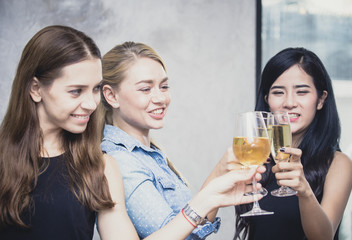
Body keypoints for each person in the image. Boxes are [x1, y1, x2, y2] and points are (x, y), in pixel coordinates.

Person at [0, 27, 264, 240]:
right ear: (36, 89)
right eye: (75, 91)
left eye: (94, 90)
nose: (91, 104)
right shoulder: (4, 160)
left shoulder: (100, 166)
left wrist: (207, 198)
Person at [99, 41, 257, 240]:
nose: (160, 98)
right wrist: (208, 199)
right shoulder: (121, 161)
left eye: (164, 86)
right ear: (111, 96)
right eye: (145, 89)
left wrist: (220, 170)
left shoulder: (148, 154)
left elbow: (189, 226)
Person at [234, 47, 352, 240]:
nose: (289, 102)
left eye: (301, 91)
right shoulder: (256, 158)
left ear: (321, 99)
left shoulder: (339, 164)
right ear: (267, 100)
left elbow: (324, 237)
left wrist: (304, 191)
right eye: (278, 92)